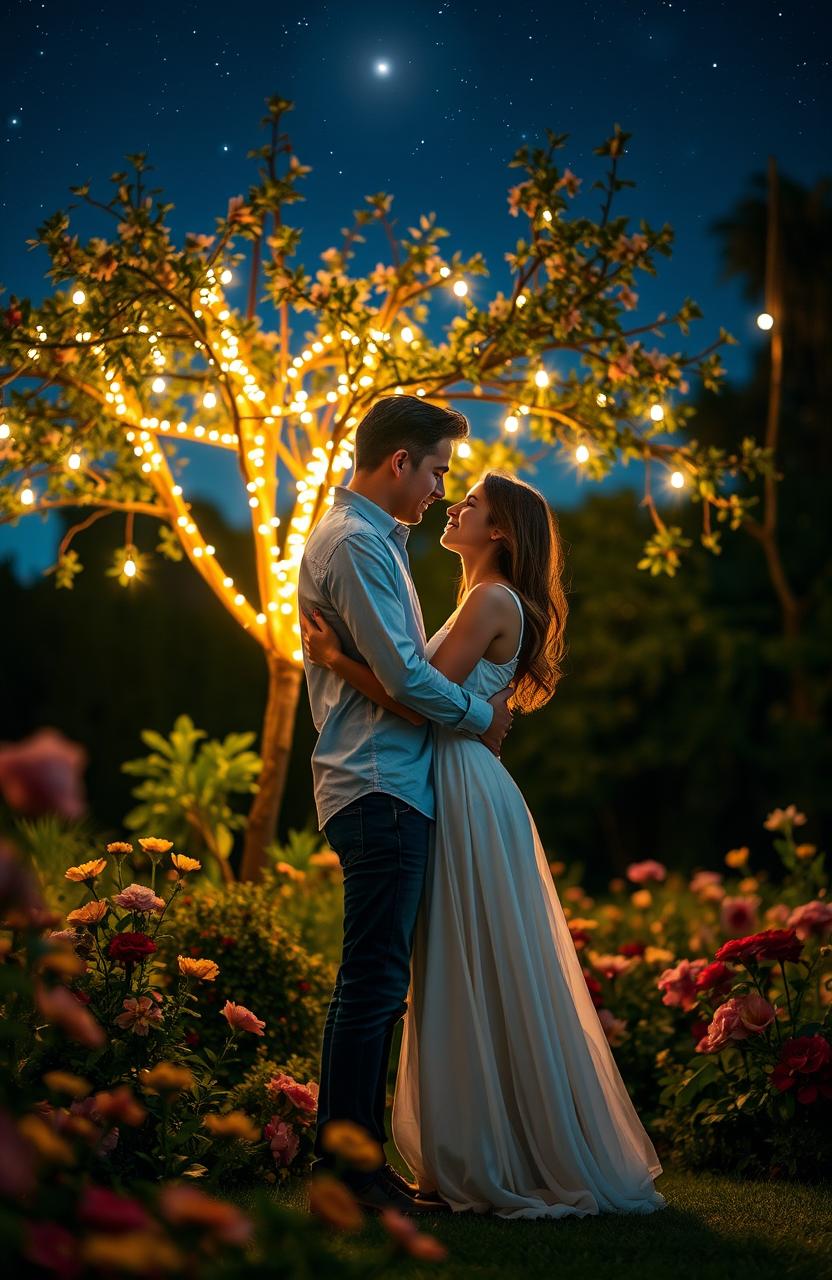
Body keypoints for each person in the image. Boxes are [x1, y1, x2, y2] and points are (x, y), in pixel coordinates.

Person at [302, 467, 667, 1220]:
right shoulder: (480, 599)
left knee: (473, 961)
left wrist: (334, 660)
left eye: (471, 502)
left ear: (498, 531)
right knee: (471, 963)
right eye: (454, 490)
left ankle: (495, 1149)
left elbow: (413, 697)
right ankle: (481, 1141)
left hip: (463, 785)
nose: (454, 504)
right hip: (461, 780)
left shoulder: (492, 599)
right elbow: (439, 695)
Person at [297, 395, 513, 1214]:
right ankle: (349, 1170)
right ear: (399, 463)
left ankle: (355, 1164)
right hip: (379, 781)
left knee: (379, 979)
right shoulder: (356, 544)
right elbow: (407, 679)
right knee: (376, 981)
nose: (437, 490)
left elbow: (397, 673)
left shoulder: (373, 543)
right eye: (434, 471)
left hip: (389, 781)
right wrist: (481, 718)